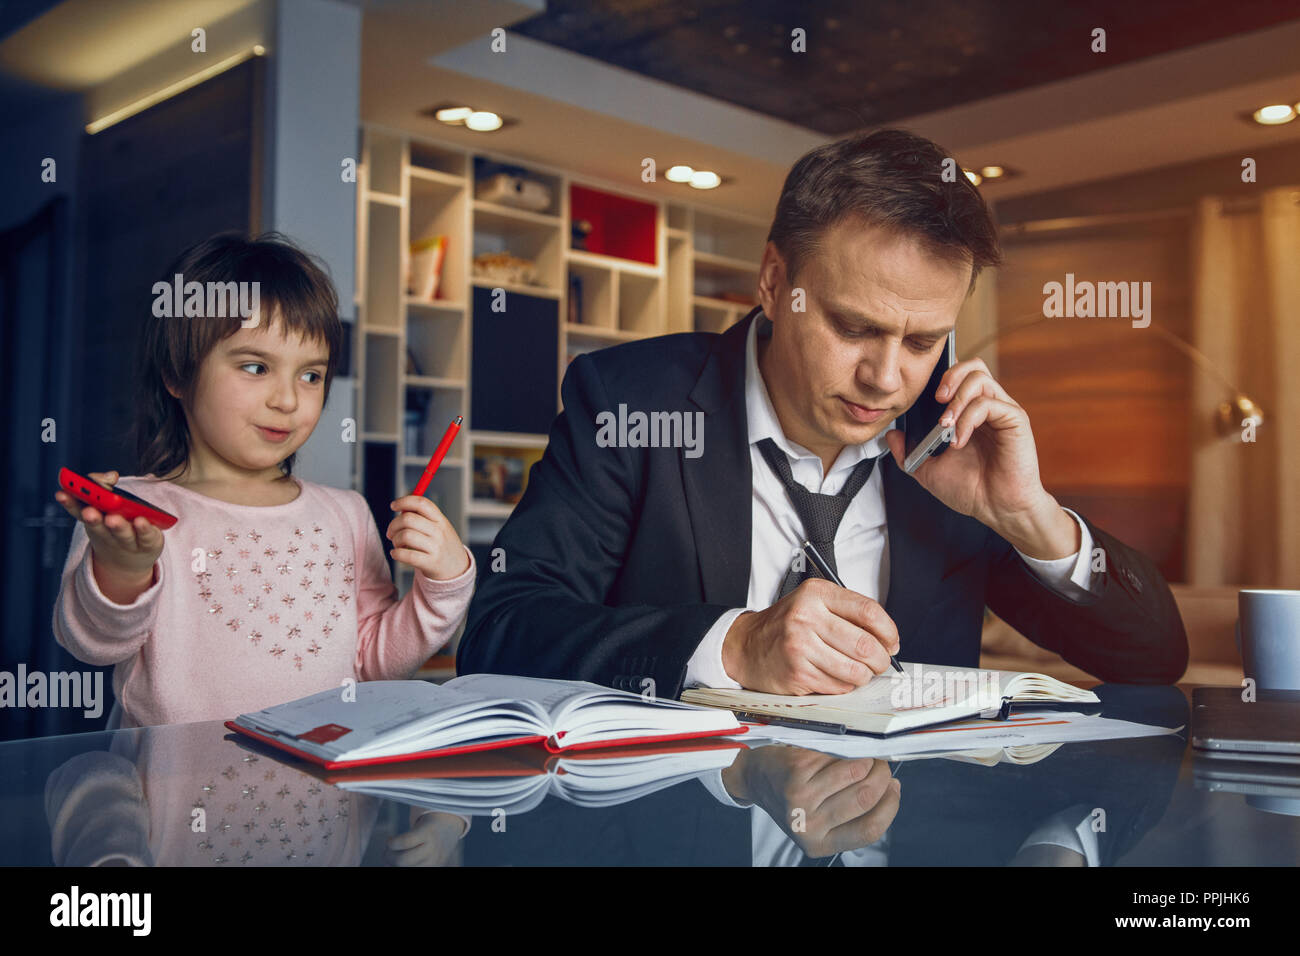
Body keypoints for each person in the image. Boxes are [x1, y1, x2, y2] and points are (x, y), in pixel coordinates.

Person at [458, 128, 1187, 698]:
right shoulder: (630, 400)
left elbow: (1154, 658)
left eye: (924, 340)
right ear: (775, 283)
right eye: (853, 327)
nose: (886, 377)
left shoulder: (951, 444)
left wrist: (1030, 516)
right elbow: (503, 628)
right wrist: (736, 647)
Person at [53, 233, 475, 728]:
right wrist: (123, 568)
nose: (289, 400)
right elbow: (92, 646)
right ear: (177, 373)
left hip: (322, 796)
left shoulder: (347, 514)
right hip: (169, 799)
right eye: (256, 367)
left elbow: (373, 664)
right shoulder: (129, 514)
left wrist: (443, 585)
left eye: (311, 376)